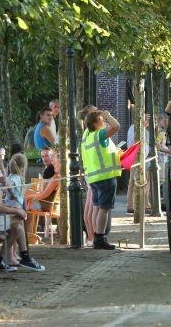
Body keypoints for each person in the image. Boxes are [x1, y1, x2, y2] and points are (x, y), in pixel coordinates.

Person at [0, 154, 45, 272]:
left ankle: (2, 260)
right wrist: (17, 210)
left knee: (18, 227)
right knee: (19, 220)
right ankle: (24, 256)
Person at [81, 110, 121, 250]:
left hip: (94, 177)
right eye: (101, 119)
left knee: (97, 208)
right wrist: (108, 116)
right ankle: (100, 238)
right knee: (104, 209)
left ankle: (95, 237)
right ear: (94, 123)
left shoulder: (87, 136)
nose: (103, 120)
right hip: (105, 177)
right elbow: (116, 126)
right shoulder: (99, 134)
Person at [78, 105, 98, 246]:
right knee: (93, 207)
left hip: (90, 172)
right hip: (95, 173)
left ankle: (91, 237)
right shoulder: (91, 133)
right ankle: (92, 237)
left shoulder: (85, 133)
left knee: (89, 207)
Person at [126, 115, 152, 214]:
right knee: (133, 180)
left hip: (144, 158)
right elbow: (133, 143)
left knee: (145, 181)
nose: (148, 122)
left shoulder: (146, 130)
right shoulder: (134, 128)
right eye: (146, 119)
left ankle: (145, 203)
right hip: (135, 157)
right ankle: (131, 205)